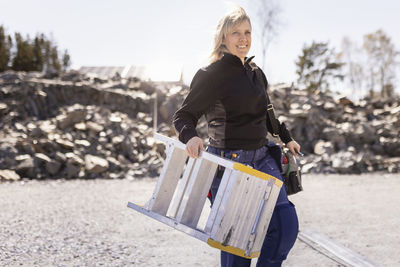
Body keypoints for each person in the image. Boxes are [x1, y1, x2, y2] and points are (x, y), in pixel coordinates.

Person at [172, 6, 301, 267]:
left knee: (286, 226)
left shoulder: (256, 73)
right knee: (236, 244)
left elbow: (268, 114)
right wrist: (191, 137)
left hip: (263, 158)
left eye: (247, 32)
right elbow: (183, 116)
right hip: (230, 162)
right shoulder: (211, 74)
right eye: (236, 33)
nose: (243, 38)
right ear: (223, 37)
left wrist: (286, 137)